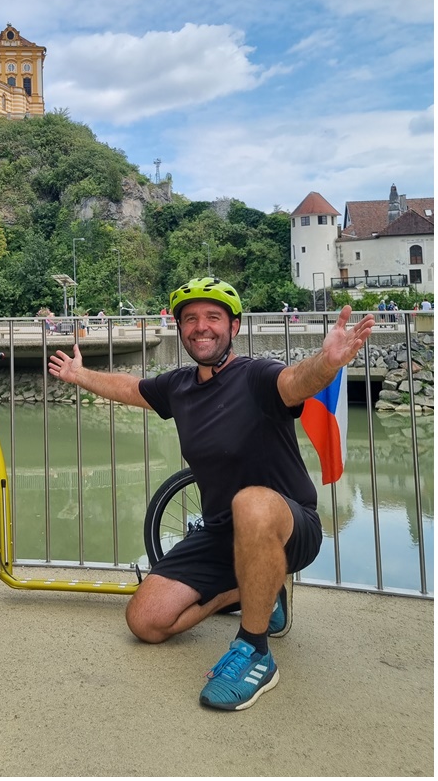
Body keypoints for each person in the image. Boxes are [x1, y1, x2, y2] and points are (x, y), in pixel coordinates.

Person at [47, 277, 374, 711]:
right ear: (181, 329)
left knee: (251, 502)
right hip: (223, 532)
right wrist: (79, 374)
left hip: (287, 527)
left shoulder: (257, 376)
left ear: (234, 327)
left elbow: (296, 382)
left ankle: (255, 650)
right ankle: (253, 588)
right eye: (191, 319)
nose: (201, 327)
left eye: (213, 318)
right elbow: (131, 388)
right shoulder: (179, 387)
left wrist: (327, 364)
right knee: (145, 621)